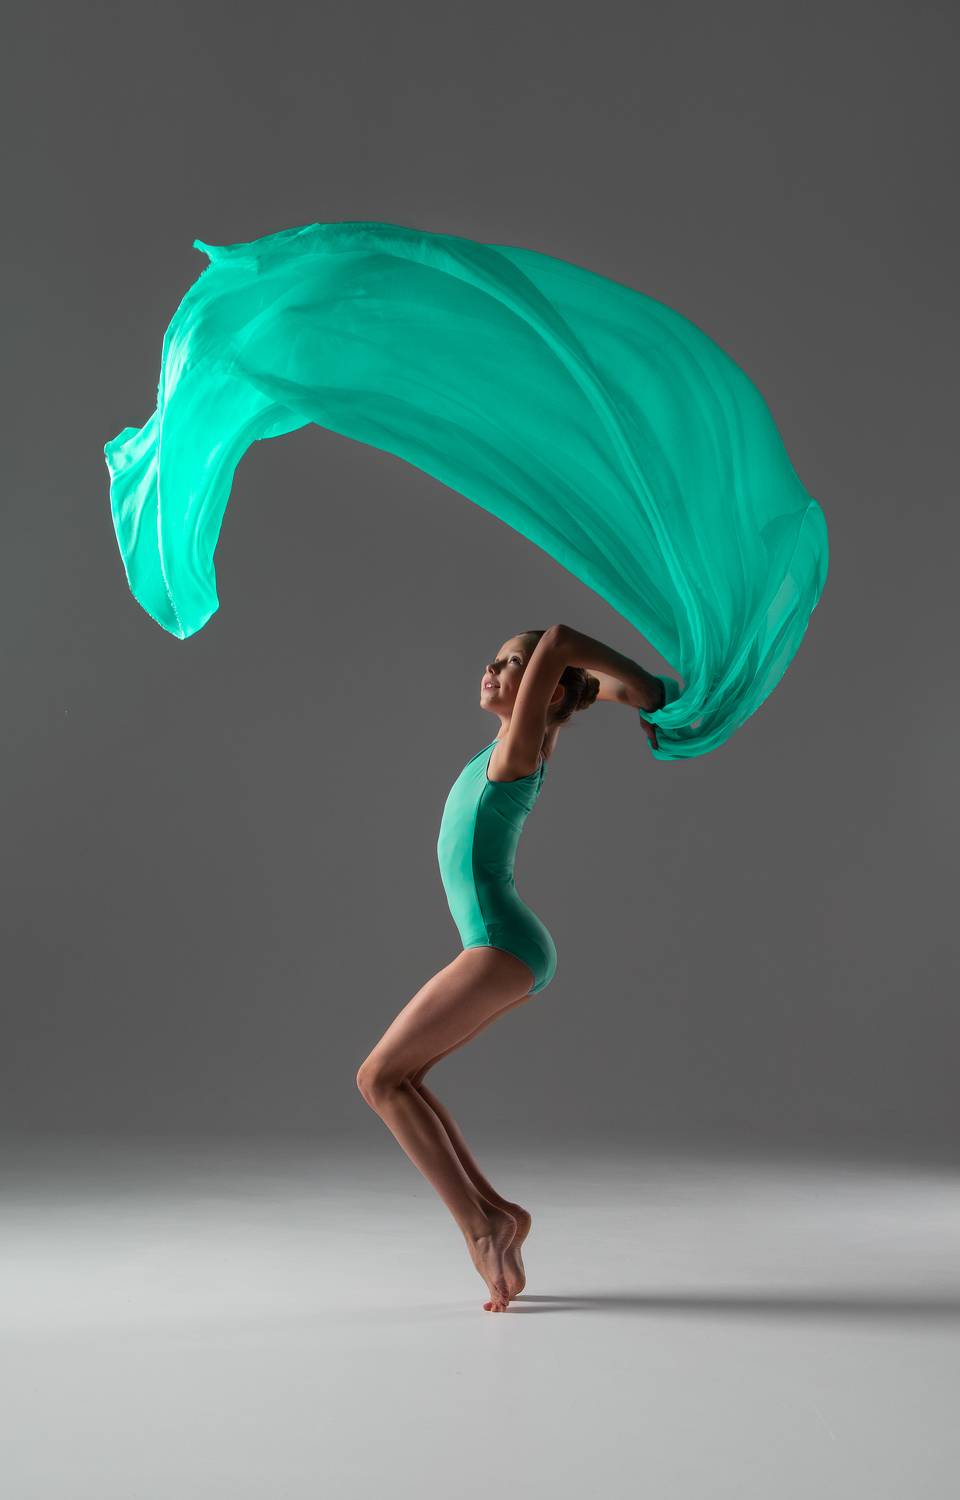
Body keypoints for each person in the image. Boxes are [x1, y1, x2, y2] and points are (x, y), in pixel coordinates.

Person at [356, 622, 671, 1311]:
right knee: (402, 1079)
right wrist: (642, 698)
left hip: (499, 945)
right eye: (493, 661)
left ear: (543, 689)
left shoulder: (517, 751)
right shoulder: (519, 741)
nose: (492, 670)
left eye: (512, 665)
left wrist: (648, 688)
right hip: (506, 945)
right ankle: (497, 1214)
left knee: (379, 1078)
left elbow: (559, 643)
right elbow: (586, 687)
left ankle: (481, 1229)